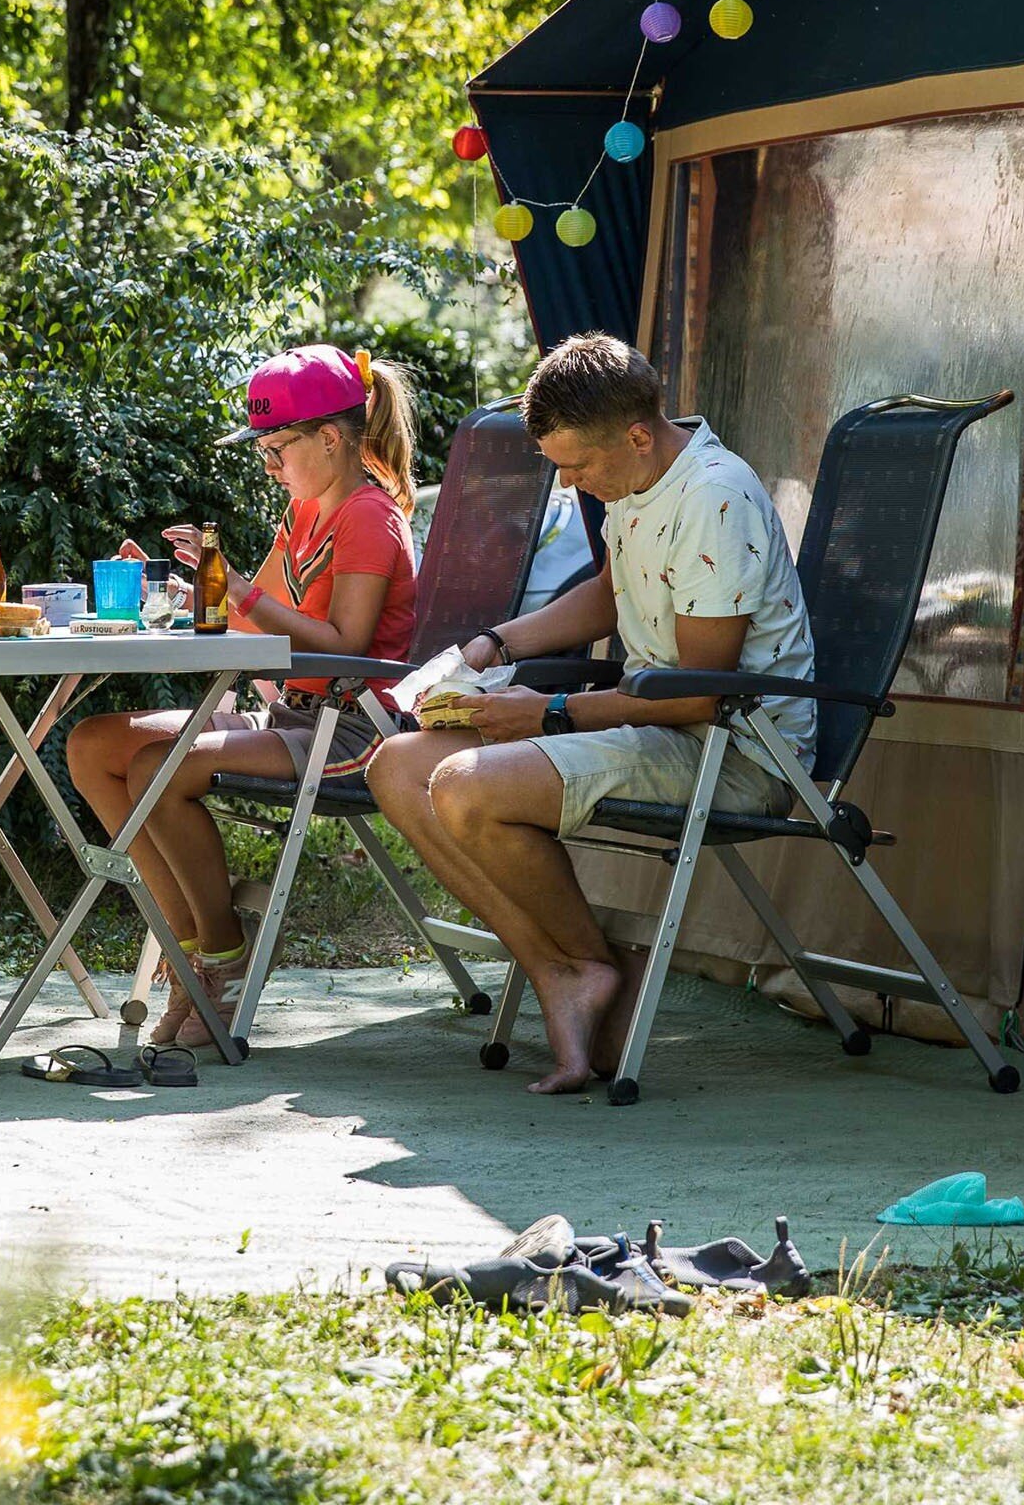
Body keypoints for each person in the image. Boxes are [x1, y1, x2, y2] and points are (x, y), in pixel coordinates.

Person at [366, 333, 815, 1094]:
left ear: (637, 435)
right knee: (398, 766)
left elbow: (703, 693)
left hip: (732, 751)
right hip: (659, 725)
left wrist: (546, 714)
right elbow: (614, 590)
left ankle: (586, 964)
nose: (569, 482)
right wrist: (487, 648)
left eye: (577, 465)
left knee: (465, 785)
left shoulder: (713, 495)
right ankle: (561, 968)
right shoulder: (639, 481)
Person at [64, 344, 420, 1047]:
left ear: (329, 438)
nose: (267, 463)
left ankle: (219, 959)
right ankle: (189, 944)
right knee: (94, 744)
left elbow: (342, 642)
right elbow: (245, 616)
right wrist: (177, 584)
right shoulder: (305, 511)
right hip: (292, 715)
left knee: (157, 767)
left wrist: (243, 590)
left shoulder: (368, 517)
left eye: (276, 447)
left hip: (350, 730)